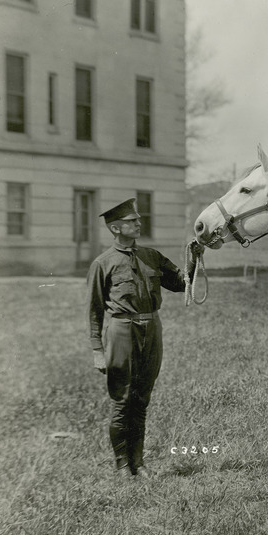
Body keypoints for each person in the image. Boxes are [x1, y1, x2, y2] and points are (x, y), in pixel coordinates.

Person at [87, 198, 203, 479]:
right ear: (116, 228)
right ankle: (122, 465)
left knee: (141, 399)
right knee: (121, 400)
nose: (139, 224)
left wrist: (195, 257)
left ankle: (138, 463)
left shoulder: (151, 256)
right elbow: (94, 311)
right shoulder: (103, 263)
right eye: (132, 221)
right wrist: (97, 350)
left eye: (138, 220)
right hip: (120, 332)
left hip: (152, 331)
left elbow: (180, 283)